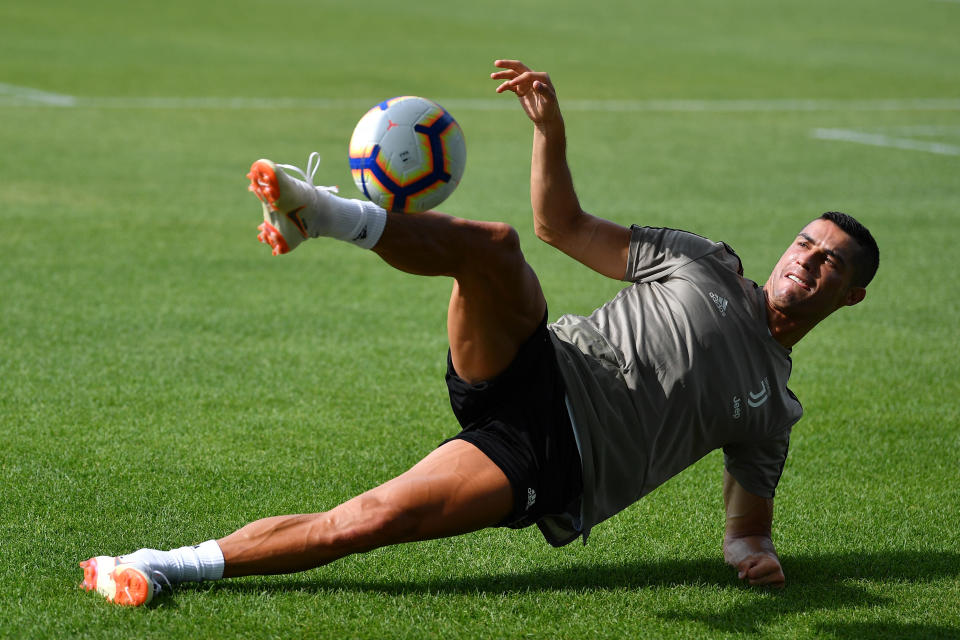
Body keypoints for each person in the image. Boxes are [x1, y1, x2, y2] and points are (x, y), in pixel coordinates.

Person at [79, 60, 879, 606]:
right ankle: (318, 212)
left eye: (831, 264)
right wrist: (549, 128)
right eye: (805, 245)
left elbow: (746, 535)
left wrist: (755, 559)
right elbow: (558, 225)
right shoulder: (705, 261)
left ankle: (159, 566)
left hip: (552, 460)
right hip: (541, 363)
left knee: (372, 520)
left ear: (852, 296)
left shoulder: (772, 406)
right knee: (494, 248)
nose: (807, 263)